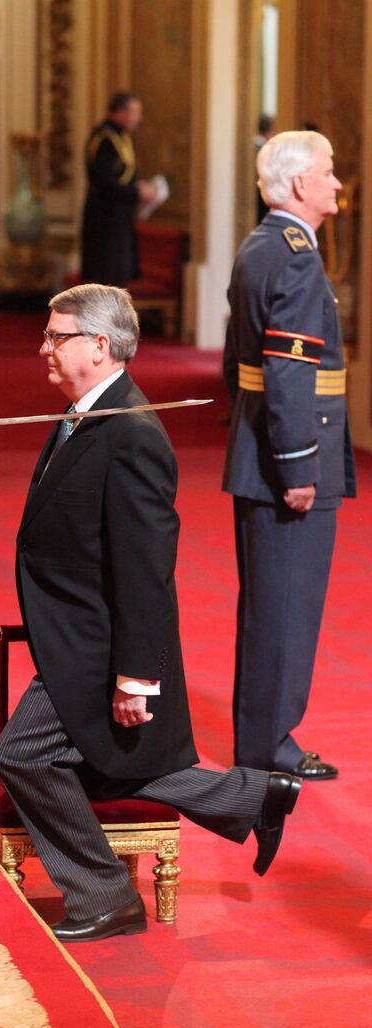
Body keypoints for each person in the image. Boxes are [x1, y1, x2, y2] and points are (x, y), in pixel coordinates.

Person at [0, 284, 300, 943]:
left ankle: (106, 894)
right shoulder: (86, 413)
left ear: (99, 346)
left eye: (56, 335)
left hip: (97, 649)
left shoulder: (131, 434)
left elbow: (145, 569)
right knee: (117, 762)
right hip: (75, 635)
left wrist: (136, 675)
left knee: (20, 753)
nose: (42, 346)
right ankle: (256, 795)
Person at [223, 130, 355, 780]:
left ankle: (262, 736)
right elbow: (288, 372)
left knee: (270, 603)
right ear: (301, 183)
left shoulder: (261, 244)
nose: (337, 184)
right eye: (329, 173)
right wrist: (299, 465)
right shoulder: (297, 256)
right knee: (286, 606)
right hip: (289, 457)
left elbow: (236, 360)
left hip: (259, 447)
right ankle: (268, 745)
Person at [80, 92, 155, 288]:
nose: (139, 118)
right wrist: (137, 192)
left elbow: (123, 176)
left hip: (120, 219)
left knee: (120, 278)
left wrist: (138, 187)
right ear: (120, 112)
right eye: (135, 112)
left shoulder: (120, 136)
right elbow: (105, 181)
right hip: (105, 221)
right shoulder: (104, 138)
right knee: (107, 279)